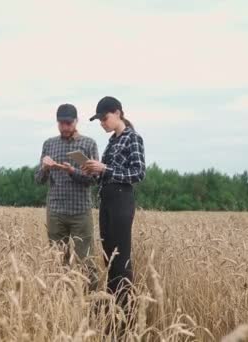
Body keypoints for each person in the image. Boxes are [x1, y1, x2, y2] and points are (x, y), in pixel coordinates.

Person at [82, 96, 146, 308]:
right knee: (109, 259)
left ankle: (126, 314)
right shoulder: (112, 142)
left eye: (104, 118)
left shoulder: (132, 138)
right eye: (99, 120)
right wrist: (93, 170)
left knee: (120, 261)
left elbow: (138, 173)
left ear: (118, 113)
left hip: (121, 201)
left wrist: (105, 168)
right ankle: (113, 312)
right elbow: (106, 174)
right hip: (107, 201)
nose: (102, 123)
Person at [35, 103, 99, 291]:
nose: (64, 127)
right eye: (61, 123)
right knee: (57, 262)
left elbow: (94, 179)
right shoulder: (49, 144)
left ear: (76, 121)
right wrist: (45, 168)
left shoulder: (88, 144)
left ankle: (92, 302)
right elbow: (38, 179)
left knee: (86, 261)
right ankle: (61, 305)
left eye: (68, 123)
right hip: (55, 212)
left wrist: (72, 171)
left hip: (80, 212)